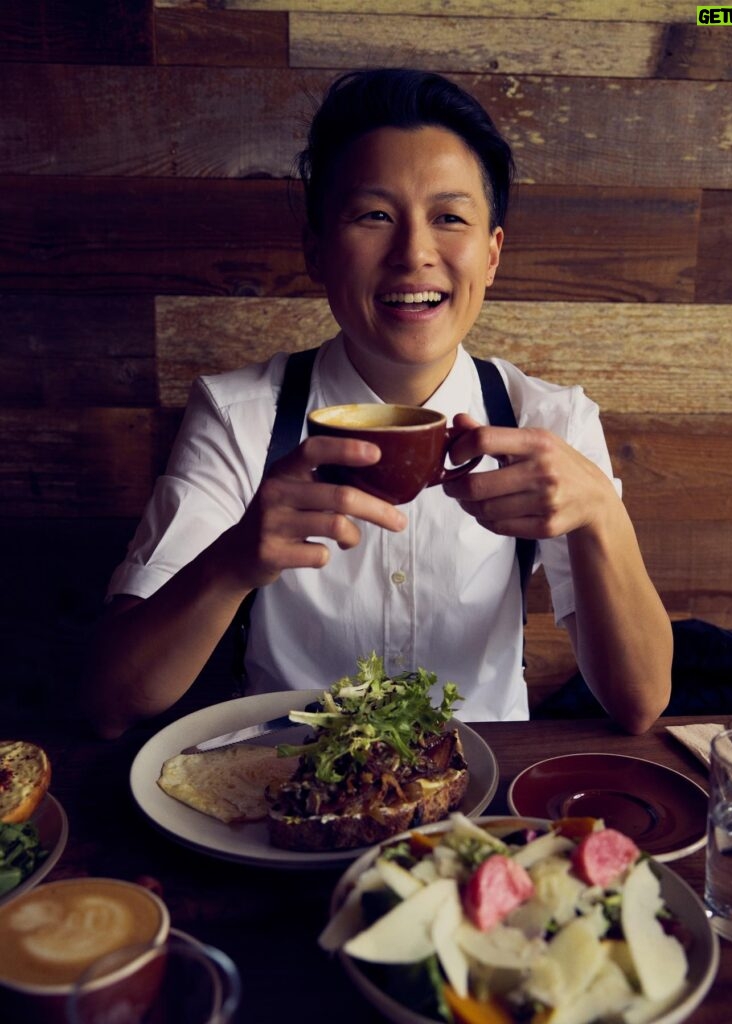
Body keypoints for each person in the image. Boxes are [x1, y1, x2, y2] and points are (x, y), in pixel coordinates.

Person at [83, 68, 672, 738]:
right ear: (317, 250)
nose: (414, 253)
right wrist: (234, 560)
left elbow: (640, 702)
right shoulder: (238, 414)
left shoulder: (551, 423)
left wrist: (600, 515)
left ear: (492, 254)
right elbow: (110, 699)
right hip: (282, 798)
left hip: (477, 810)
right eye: (374, 216)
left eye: (450, 218)